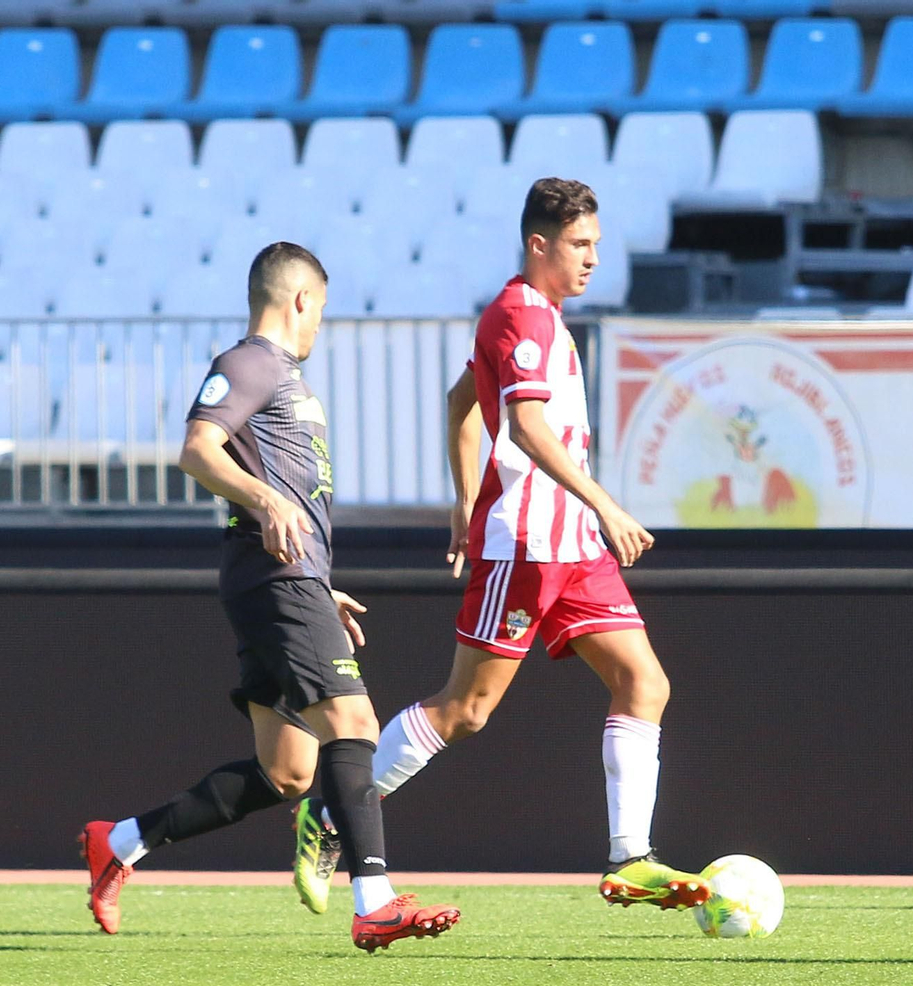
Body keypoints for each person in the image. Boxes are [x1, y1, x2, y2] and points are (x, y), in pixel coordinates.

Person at [288, 180, 707, 917]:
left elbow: (460, 402)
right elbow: (527, 429)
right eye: (579, 246)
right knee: (466, 710)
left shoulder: (539, 316)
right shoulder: (519, 315)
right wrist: (603, 503)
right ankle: (331, 815)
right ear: (539, 244)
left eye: (597, 246)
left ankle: (628, 859)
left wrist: (461, 498)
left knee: (646, 684)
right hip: (530, 544)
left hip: (572, 546)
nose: (591, 261)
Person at [79, 242, 460, 953]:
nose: (320, 328)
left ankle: (121, 842)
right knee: (355, 721)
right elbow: (198, 447)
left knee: (288, 771)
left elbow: (285, 494)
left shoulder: (282, 377)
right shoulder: (251, 363)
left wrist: (319, 583)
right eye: (321, 313)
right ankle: (373, 901)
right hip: (270, 579)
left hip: (287, 580)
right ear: (302, 302)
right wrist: (262, 502)